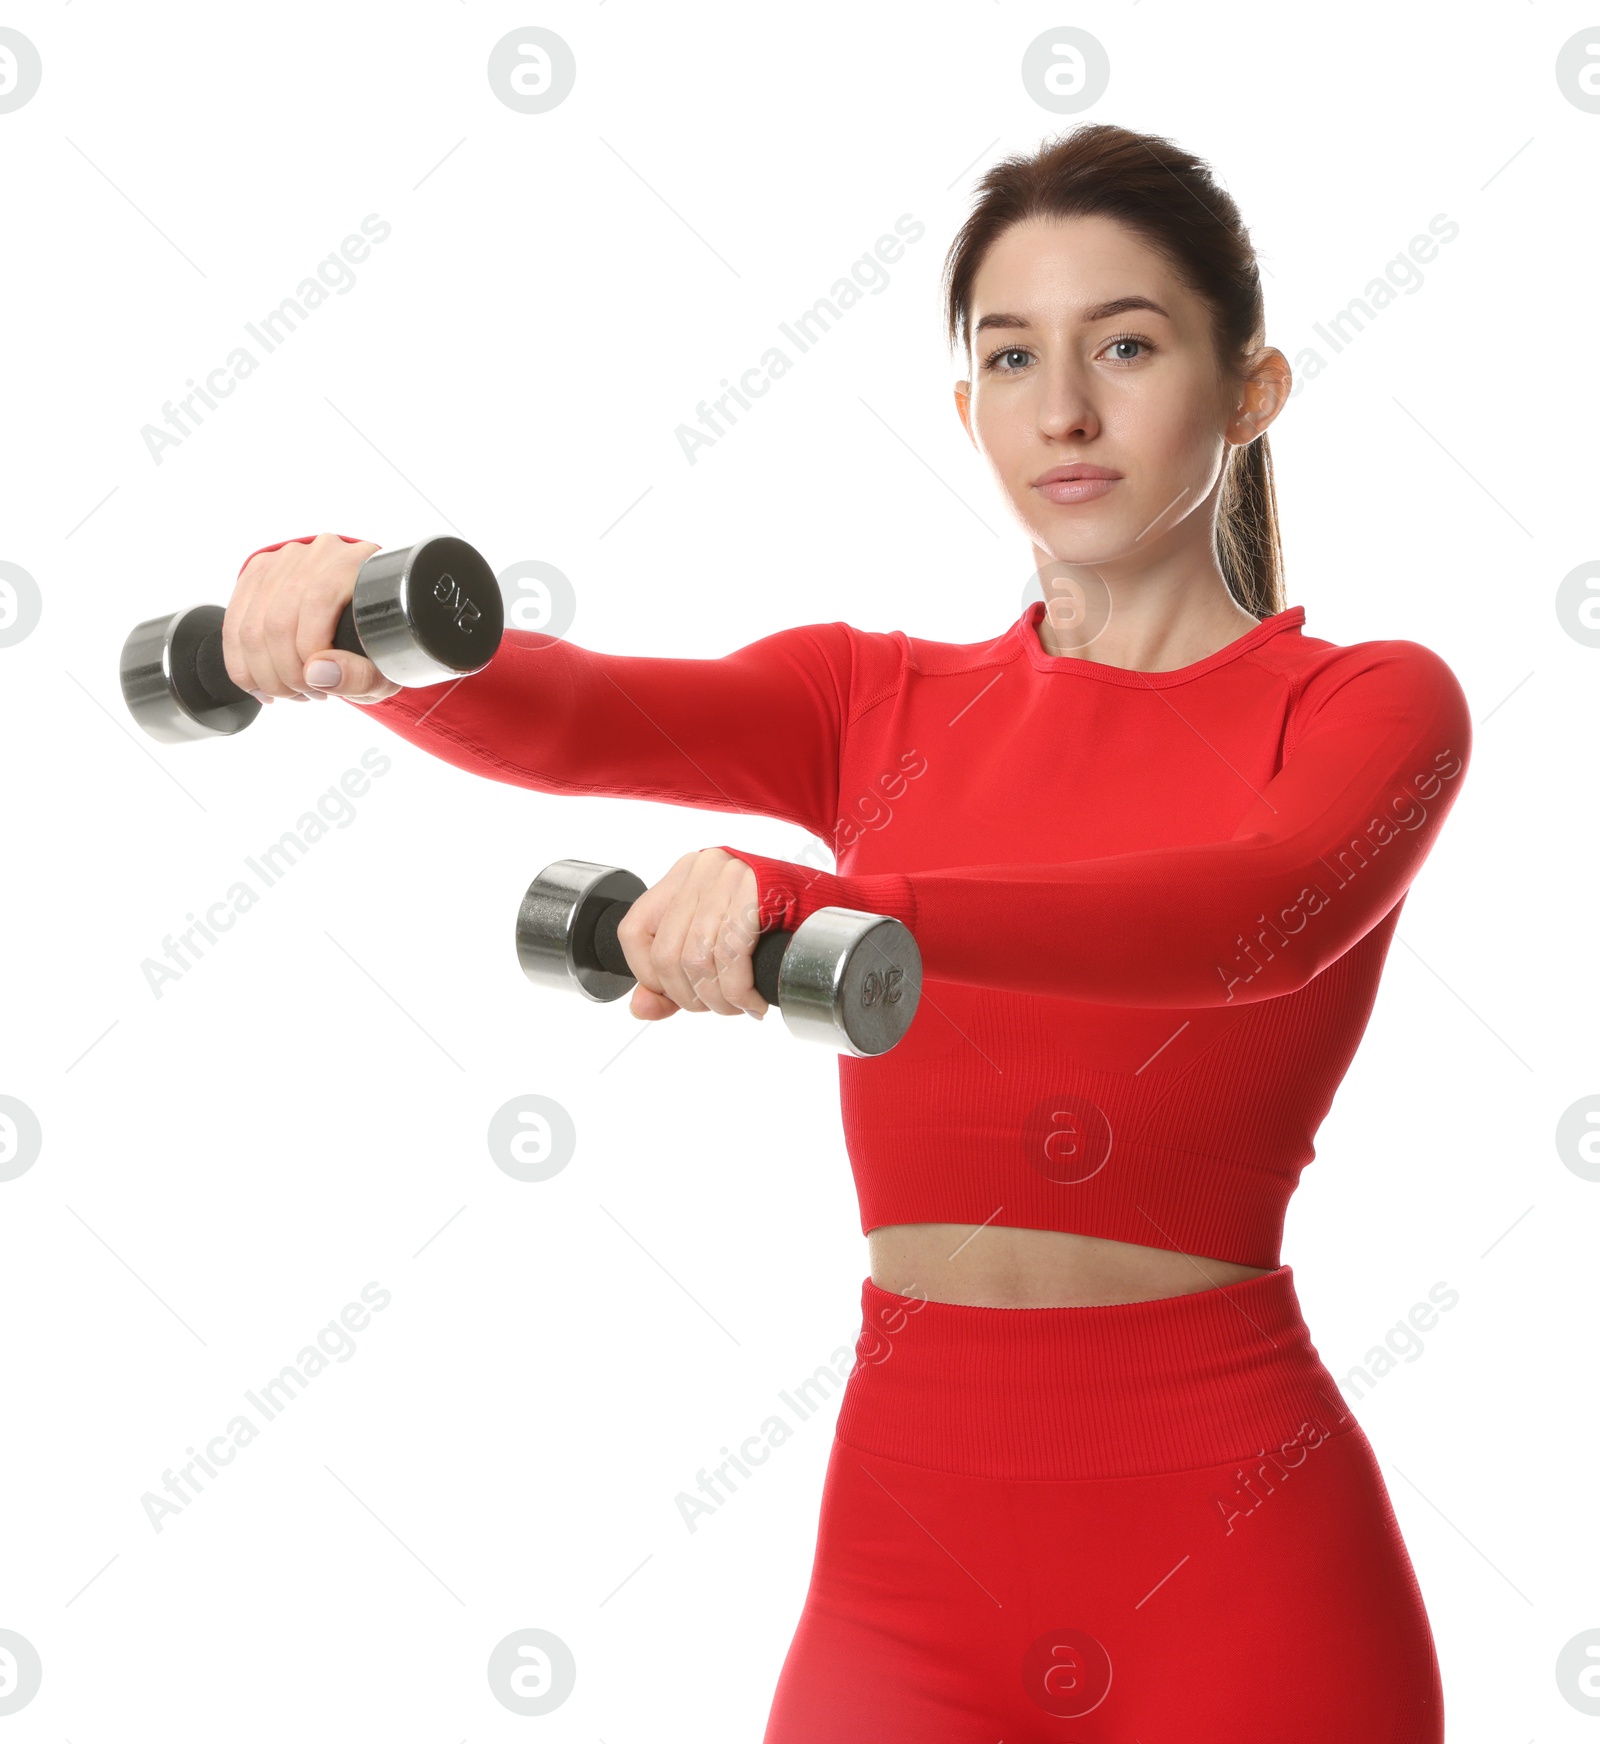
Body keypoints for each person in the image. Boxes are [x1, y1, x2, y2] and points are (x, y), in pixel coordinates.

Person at [219, 123, 1469, 1741]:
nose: (1065, 410)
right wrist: (331, 601)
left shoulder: (1367, 707)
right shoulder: (872, 703)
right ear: (968, 410)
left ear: (1252, 393)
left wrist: (840, 899)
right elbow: (570, 711)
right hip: (911, 1554)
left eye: (1129, 347)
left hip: (1238, 1547)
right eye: (1012, 358)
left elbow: (1255, 924)